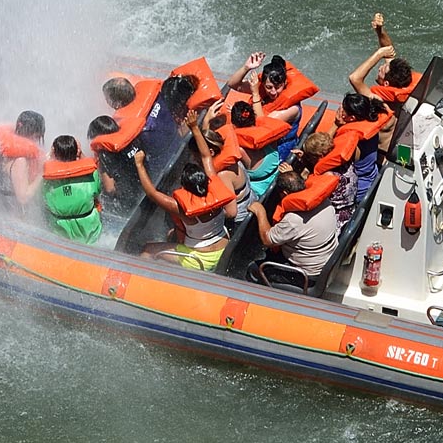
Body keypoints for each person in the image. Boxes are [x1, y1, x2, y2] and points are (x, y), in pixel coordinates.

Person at [132, 111, 237, 271]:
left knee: (148, 249)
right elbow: (206, 156)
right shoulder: (215, 186)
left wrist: (139, 164)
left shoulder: (181, 208)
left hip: (200, 258)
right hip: (224, 248)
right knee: (172, 236)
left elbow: (152, 193)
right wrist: (194, 127)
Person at [247, 170, 341, 282]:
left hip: (308, 274)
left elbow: (267, 240)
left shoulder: (293, 220)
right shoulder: (324, 201)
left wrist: (260, 212)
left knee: (254, 268)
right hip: (326, 260)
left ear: (285, 194)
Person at [226, 53, 319, 161]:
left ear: (285, 83)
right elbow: (233, 84)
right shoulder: (263, 90)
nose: (273, 92)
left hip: (277, 150)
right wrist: (246, 67)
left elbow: (262, 125)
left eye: (278, 87)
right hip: (256, 141)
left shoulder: (292, 109)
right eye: (269, 87)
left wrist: (255, 93)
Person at [313, 92, 387, 199]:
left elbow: (320, 147)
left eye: (342, 109)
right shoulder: (370, 123)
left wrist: (336, 124)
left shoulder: (352, 139)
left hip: (358, 188)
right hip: (371, 176)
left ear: (352, 118)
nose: (339, 110)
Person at [40, 135, 103, 244]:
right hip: (88, 228)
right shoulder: (92, 174)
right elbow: (97, 191)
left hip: (60, 228)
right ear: (76, 153)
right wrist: (81, 154)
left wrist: (49, 156)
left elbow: (41, 197)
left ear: (54, 153)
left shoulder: (47, 178)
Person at [0, 110, 45, 212]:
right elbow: (23, 198)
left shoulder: (2, 149)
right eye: (37, 136)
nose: (36, 141)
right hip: (12, 213)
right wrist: (42, 174)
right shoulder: (20, 161)